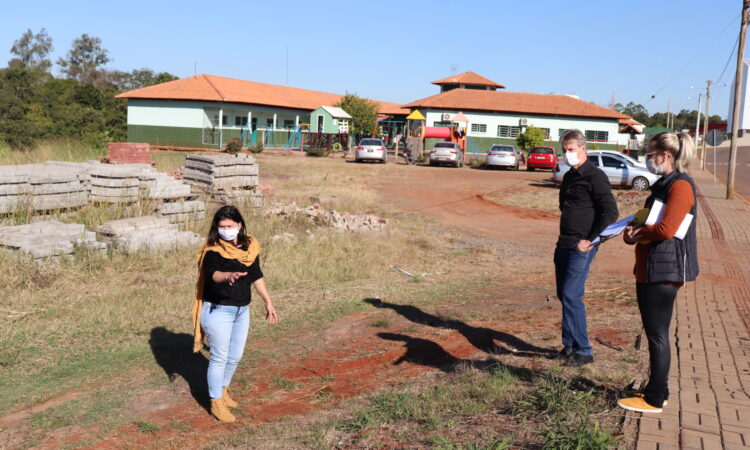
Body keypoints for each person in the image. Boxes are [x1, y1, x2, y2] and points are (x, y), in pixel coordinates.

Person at [618, 132, 698, 413]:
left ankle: (653, 399)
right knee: (656, 334)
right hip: (652, 268)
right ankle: (658, 390)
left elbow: (666, 229)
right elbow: (649, 224)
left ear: (664, 156)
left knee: (657, 336)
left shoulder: (681, 186)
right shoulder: (664, 185)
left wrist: (638, 233)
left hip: (664, 271)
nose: (646, 159)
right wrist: (632, 234)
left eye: (649, 155)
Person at [192, 205, 278, 423]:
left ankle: (223, 389)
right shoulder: (212, 250)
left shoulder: (249, 247)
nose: (226, 230)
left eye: (230, 226)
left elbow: (256, 275)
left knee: (235, 355)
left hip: (242, 309)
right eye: (222, 226)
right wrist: (228, 275)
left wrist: (268, 302)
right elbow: (214, 275)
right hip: (218, 310)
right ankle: (216, 401)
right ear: (216, 227)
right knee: (220, 357)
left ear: (239, 225)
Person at [555, 129, 618, 367]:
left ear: (583, 148)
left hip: (582, 246)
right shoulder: (570, 176)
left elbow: (610, 213)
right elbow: (565, 205)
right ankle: (569, 345)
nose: (567, 154)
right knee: (564, 294)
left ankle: (584, 350)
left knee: (572, 294)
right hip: (564, 241)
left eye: (571, 150)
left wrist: (591, 240)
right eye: (564, 150)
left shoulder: (596, 176)